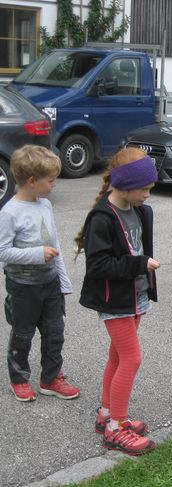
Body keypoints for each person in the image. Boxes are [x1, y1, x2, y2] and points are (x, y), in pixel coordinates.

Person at [75, 147, 158, 456]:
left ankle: (107, 413)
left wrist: (143, 275)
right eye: (145, 188)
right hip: (114, 301)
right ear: (124, 184)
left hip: (135, 296)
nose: (149, 194)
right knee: (132, 359)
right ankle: (115, 428)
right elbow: (97, 267)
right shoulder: (102, 217)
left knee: (118, 355)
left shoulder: (140, 211)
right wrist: (140, 265)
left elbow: (138, 248)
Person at [0, 145, 80, 402]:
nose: (54, 184)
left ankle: (50, 378)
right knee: (23, 334)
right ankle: (19, 378)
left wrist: (63, 281)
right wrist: (37, 254)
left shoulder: (45, 205)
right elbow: (2, 251)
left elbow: (54, 246)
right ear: (32, 181)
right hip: (23, 287)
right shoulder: (10, 213)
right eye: (51, 180)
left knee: (55, 332)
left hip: (50, 283)